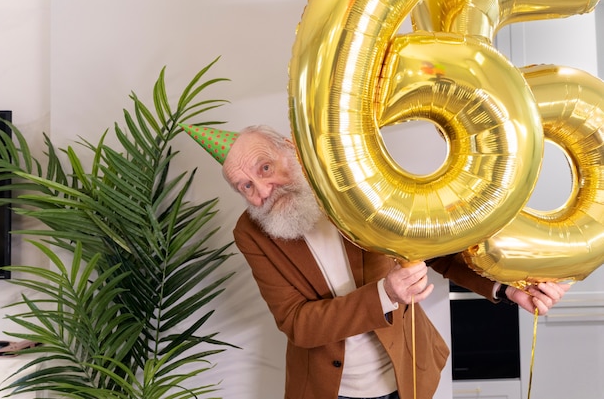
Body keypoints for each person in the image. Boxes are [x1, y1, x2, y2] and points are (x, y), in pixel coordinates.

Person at [183, 123, 569, 399]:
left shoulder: (356, 183)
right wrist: (385, 294)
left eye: (265, 169)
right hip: (328, 389)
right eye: (245, 187)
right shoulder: (251, 233)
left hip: (406, 378)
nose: (262, 191)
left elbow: (436, 250)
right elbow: (297, 323)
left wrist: (503, 286)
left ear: (291, 148)